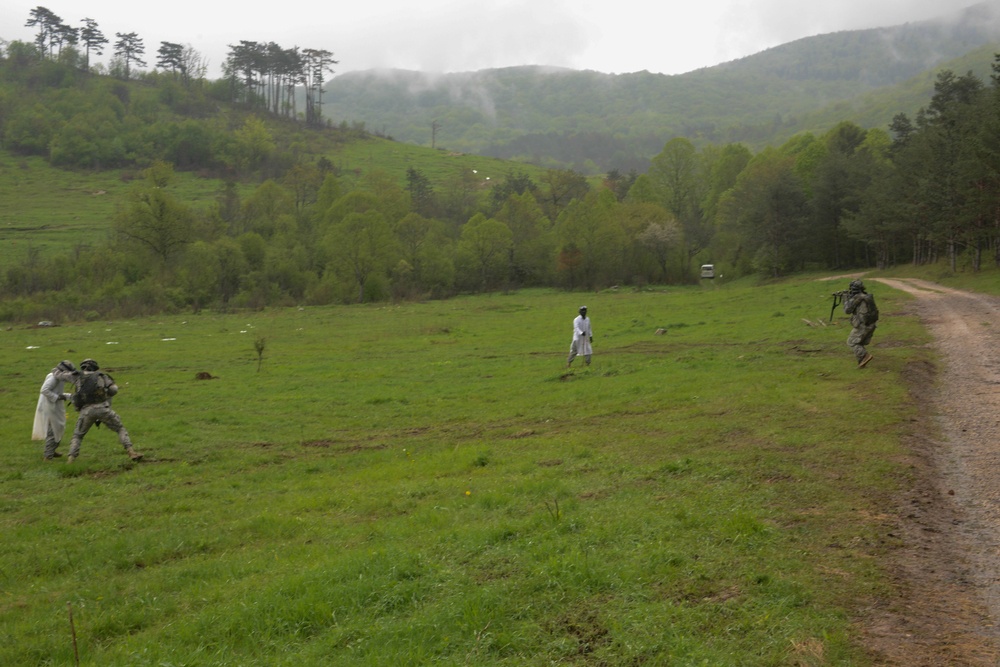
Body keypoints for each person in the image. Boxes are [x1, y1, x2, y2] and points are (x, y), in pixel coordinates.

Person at [67, 358, 143, 463]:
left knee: (78, 435)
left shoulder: (77, 377)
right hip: (103, 408)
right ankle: (131, 452)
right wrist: (106, 394)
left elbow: (62, 377)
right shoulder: (102, 376)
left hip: (86, 411)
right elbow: (114, 390)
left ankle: (70, 459)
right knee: (120, 429)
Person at [32, 360, 77, 460]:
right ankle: (48, 456)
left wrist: (68, 396)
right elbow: (44, 390)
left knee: (58, 428)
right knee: (53, 431)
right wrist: (57, 397)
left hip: (53, 406)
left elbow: (56, 392)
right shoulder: (53, 378)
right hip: (49, 408)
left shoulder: (56, 377)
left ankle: (52, 450)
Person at [843, 279, 878, 368]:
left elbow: (847, 310)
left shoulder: (857, 298)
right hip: (871, 324)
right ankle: (862, 362)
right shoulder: (867, 296)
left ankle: (864, 355)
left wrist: (845, 299)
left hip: (862, 325)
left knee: (851, 342)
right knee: (859, 343)